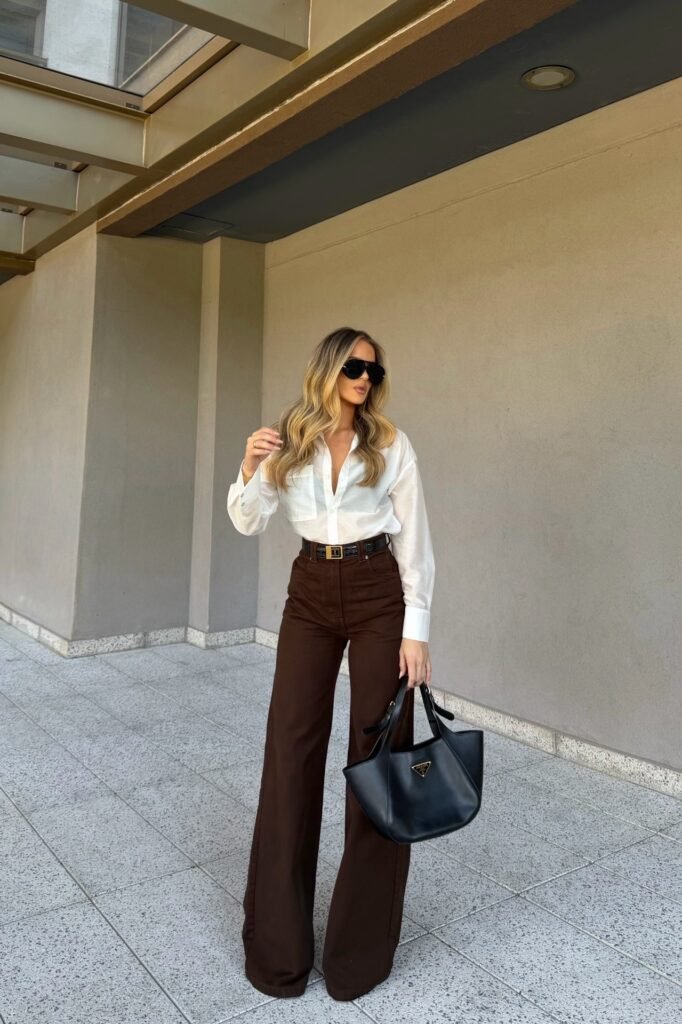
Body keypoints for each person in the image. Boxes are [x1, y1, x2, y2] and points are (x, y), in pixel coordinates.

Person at [226, 326, 436, 1001]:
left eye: (374, 369)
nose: (365, 379)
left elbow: (417, 542)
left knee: (379, 758)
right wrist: (250, 468)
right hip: (311, 590)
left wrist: (417, 630)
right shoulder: (287, 437)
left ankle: (360, 955)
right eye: (354, 366)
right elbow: (248, 520)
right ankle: (278, 953)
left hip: (378, 590)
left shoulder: (391, 444)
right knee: (290, 750)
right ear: (327, 368)